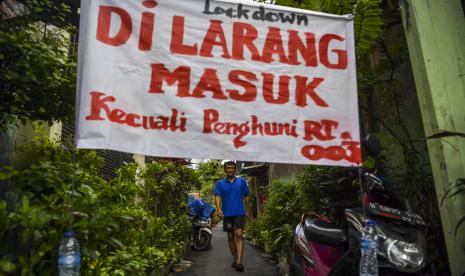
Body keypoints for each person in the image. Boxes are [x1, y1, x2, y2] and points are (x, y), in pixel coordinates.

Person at [214, 161, 251, 272]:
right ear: (225, 170)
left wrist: (248, 210)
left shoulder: (242, 182)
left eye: (232, 168)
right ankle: (235, 259)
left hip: (239, 212)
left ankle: (239, 261)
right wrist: (219, 209)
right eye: (228, 168)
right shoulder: (220, 183)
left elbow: (247, 196)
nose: (230, 170)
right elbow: (218, 196)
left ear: (235, 169)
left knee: (239, 234)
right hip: (227, 214)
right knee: (230, 236)